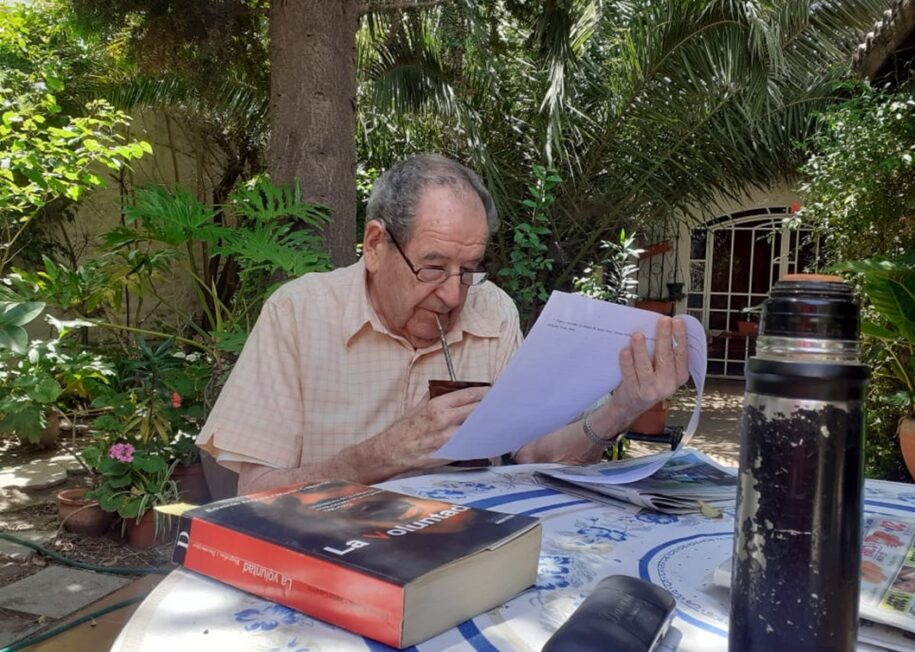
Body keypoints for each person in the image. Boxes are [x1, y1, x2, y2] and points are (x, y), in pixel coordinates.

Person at [197, 154, 689, 495]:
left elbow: (536, 455)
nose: (453, 294)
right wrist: (380, 455)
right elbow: (255, 494)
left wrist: (625, 406)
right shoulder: (299, 315)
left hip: (470, 550)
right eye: (431, 268)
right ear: (374, 246)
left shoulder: (491, 310)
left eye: (468, 269)